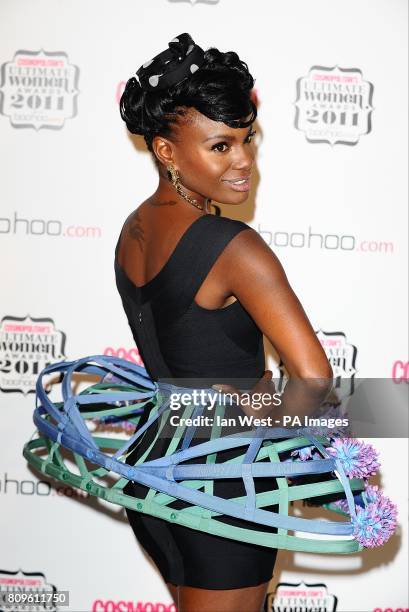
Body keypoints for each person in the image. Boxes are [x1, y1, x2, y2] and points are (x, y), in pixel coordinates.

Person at [116, 33, 333, 612]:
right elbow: (313, 379)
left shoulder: (132, 232)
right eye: (220, 146)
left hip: (153, 472)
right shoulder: (233, 246)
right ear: (165, 150)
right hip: (223, 481)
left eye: (247, 140)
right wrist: (248, 405)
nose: (244, 162)